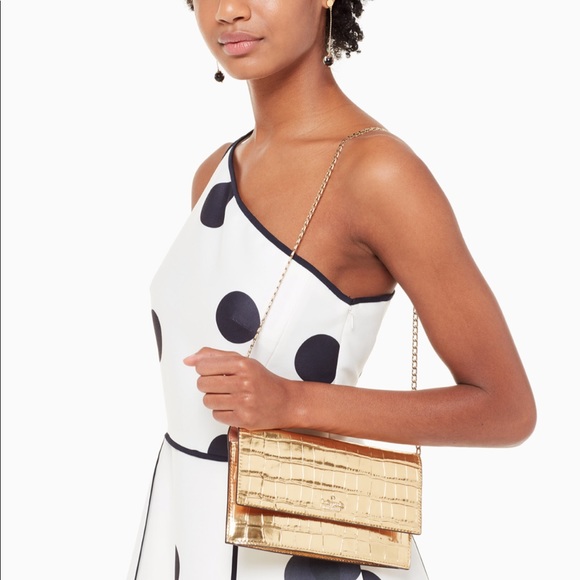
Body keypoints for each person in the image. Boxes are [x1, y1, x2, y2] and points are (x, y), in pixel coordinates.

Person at [126, 1, 537, 578]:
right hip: (187, 529)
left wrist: (293, 402)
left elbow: (507, 408)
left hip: (301, 543)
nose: (230, 11)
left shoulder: (378, 174)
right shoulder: (215, 172)